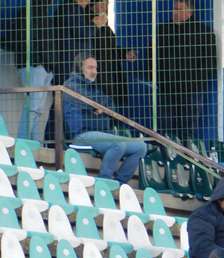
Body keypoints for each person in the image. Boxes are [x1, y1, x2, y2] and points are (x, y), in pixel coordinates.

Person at [64, 54, 146, 183]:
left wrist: (100, 106)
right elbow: (91, 100)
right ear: (79, 68)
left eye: (96, 68)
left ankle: (119, 183)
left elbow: (110, 104)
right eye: (90, 68)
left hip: (101, 134)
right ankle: (104, 182)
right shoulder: (71, 85)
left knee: (141, 147)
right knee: (118, 145)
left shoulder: (93, 87)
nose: (94, 72)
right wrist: (99, 106)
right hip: (81, 135)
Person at [157, 0, 217, 138]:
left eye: (179, 9)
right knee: (165, 127)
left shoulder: (203, 32)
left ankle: (185, 151)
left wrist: (194, 83)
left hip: (191, 91)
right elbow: (152, 57)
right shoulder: (162, 31)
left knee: (187, 129)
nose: (175, 12)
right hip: (167, 89)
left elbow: (210, 63)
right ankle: (165, 151)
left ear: (190, 11)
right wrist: (160, 81)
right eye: (174, 9)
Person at [6, 0, 57, 141]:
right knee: (33, 106)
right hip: (34, 66)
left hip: (44, 67)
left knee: (38, 109)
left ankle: (32, 142)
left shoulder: (44, 14)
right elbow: (19, 40)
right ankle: (24, 141)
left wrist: (49, 65)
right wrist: (40, 59)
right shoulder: (26, 13)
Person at [90, 1, 133, 109]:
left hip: (111, 72)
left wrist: (125, 54)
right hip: (99, 73)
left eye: (106, 4)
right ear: (93, 6)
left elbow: (110, 49)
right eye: (101, 3)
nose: (104, 7)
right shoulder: (89, 24)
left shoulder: (105, 26)